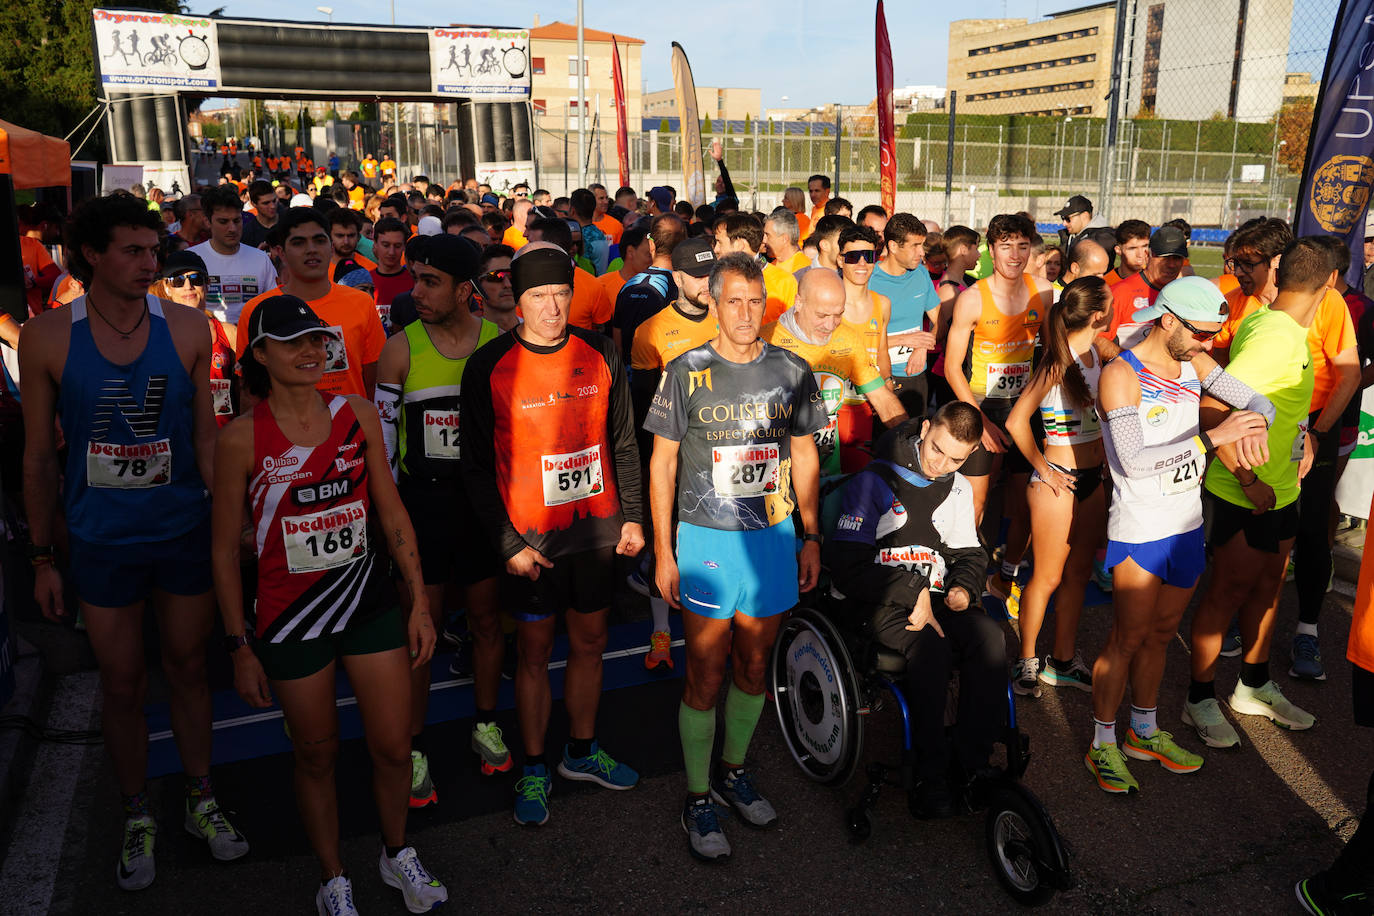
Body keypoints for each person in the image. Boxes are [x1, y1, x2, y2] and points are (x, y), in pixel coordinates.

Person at [21, 194, 247, 891]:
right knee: (121, 683)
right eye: (135, 251)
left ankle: (201, 798)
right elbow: (38, 459)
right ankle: (135, 810)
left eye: (156, 250)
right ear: (92, 253)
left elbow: (207, 440)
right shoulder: (48, 336)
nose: (153, 262)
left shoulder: (188, 329)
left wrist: (230, 530)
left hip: (181, 530)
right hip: (100, 539)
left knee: (186, 668)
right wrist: (41, 558)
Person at [211, 296, 446, 916]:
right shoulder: (240, 439)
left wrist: (418, 601)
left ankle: (397, 854)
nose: (312, 351)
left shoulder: (358, 414)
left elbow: (392, 513)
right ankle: (332, 876)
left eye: (317, 339)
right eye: (293, 343)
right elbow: (221, 553)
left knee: (395, 746)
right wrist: (239, 646)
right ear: (259, 354)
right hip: (291, 621)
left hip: (368, 607)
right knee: (316, 753)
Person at [645, 251, 827, 860]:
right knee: (705, 672)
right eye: (734, 302)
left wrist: (811, 534)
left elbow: (804, 455)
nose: (746, 314)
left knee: (754, 666)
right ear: (715, 305)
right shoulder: (684, 369)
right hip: (705, 539)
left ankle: (733, 769)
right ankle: (697, 798)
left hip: (773, 539)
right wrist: (666, 551)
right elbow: (662, 462)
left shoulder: (792, 370)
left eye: (756, 302)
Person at [460, 243, 645, 826]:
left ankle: (582, 752)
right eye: (538, 297)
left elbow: (622, 442)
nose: (551, 308)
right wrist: (507, 543)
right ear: (517, 300)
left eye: (560, 295)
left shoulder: (601, 353)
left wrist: (634, 515)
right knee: (535, 653)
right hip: (531, 539)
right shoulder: (488, 365)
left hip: (595, 530)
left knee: (591, 644)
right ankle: (535, 766)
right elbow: (474, 468)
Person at [1088, 276, 1274, 794]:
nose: (1210, 344)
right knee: (1126, 639)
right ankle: (1102, 742)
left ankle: (1142, 731)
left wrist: (1263, 427)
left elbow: (1259, 403)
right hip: (1141, 527)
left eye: (1215, 334)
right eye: (1202, 333)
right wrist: (1217, 436)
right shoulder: (1121, 375)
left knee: (1162, 635)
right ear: (1168, 320)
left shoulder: (1194, 360)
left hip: (1186, 525)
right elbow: (1134, 462)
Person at [374, 235, 511, 804]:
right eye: (415, 280)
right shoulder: (399, 349)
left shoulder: (496, 341)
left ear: (464, 290)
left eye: (431, 282)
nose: (418, 292)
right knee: (420, 631)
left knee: (485, 620)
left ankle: (484, 721)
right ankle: (412, 747)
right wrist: (387, 517)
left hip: (479, 503)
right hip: (423, 505)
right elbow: (383, 449)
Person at [1184, 239, 1330, 750]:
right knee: (1225, 595)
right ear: (1329, 284)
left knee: (1268, 592)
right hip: (1246, 493)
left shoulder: (1277, 325)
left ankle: (1253, 686)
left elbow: (1277, 403)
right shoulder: (1275, 335)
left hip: (1283, 490)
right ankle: (1199, 697)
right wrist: (1248, 480)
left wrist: (1305, 434)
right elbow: (1210, 405)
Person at [829, 403, 1004, 817]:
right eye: (936, 449)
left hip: (937, 596)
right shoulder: (875, 480)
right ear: (925, 428)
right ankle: (930, 772)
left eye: (956, 458)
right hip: (876, 601)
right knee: (931, 649)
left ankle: (972, 760)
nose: (941, 464)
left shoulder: (958, 487)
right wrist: (913, 590)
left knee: (990, 638)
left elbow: (970, 554)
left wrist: (963, 587)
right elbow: (847, 568)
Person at [1006, 277, 1115, 696]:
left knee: (1079, 575)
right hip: (1059, 482)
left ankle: (1065, 660)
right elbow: (1016, 422)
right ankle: (1027, 660)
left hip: (1092, 481)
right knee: (1047, 577)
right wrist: (1044, 468)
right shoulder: (1057, 362)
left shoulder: (1093, 354)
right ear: (1098, 314)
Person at [943, 213, 1053, 614]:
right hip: (980, 404)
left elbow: (1052, 352)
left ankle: (1004, 577)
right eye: (1006, 246)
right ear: (991, 250)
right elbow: (953, 367)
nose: (1015, 254)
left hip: (1024, 406)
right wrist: (982, 422)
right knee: (974, 504)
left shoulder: (1044, 292)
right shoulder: (972, 297)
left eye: (1023, 246)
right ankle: (959, 580)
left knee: (1026, 502)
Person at [627, 237, 722, 670]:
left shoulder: (728, 317)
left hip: (722, 452)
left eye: (711, 273)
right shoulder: (651, 331)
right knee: (663, 544)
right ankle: (661, 632)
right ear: (677, 277)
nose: (707, 283)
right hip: (676, 454)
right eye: (699, 276)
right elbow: (645, 406)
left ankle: (717, 626)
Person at [765, 270, 908, 478]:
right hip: (780, 469)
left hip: (828, 468)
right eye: (822, 315)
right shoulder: (768, 339)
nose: (830, 325)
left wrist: (912, 442)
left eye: (838, 314)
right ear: (799, 302)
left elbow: (882, 399)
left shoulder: (847, 339)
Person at [236, 208, 386, 400]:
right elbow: (250, 389)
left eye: (319, 240)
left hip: (350, 424)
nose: (311, 249)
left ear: (331, 247)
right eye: (298, 243)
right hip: (282, 427)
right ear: (281, 252)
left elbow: (374, 383)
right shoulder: (257, 310)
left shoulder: (362, 303)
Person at [150, 250, 238, 426]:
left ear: (207, 284)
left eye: (196, 279)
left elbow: (245, 391)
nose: (188, 286)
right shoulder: (154, 335)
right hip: (177, 436)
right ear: (167, 287)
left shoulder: (229, 333)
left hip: (222, 436)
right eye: (178, 281)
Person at [868, 214, 940, 417]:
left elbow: (939, 320)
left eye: (922, 245)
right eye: (915, 245)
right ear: (892, 246)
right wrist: (905, 340)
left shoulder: (921, 274)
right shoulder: (869, 278)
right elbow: (856, 339)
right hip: (877, 378)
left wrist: (923, 345)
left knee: (913, 440)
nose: (921, 252)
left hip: (915, 376)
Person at [188, 185, 278, 325]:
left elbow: (274, 305)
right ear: (207, 221)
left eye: (237, 221)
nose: (232, 228)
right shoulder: (191, 259)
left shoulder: (261, 259)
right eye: (223, 222)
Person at [614, 213, 684, 359]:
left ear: (651, 244)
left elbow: (617, 342)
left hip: (631, 373)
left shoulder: (628, 286)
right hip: (668, 374)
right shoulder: (683, 287)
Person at [1106, 226, 1189, 344]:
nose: (1171, 265)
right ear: (1147, 255)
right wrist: (1132, 362)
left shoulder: (1187, 296)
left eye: (1177, 258)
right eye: (1164, 257)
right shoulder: (1120, 292)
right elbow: (1099, 340)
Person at [712, 213, 796, 323]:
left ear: (739, 244)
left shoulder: (784, 282)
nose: (716, 249)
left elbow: (794, 329)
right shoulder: (717, 279)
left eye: (719, 242)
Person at [368, 217, 413, 334]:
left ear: (404, 247)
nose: (391, 252)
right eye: (386, 245)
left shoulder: (415, 281)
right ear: (375, 244)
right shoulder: (365, 281)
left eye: (397, 246)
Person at [474, 244, 518, 331]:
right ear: (478, 286)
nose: (507, 284)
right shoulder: (467, 338)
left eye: (513, 276)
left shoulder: (539, 333)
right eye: (497, 277)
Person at [763, 209, 811, 276]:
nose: (764, 240)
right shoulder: (771, 266)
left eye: (767, 235)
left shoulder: (803, 271)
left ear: (784, 239)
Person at [1104, 219, 1151, 287]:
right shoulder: (1106, 285)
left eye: (1145, 246)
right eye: (1132, 248)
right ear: (1118, 250)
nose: (1140, 255)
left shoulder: (1156, 280)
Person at [241, 180, 281, 250]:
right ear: (253, 204)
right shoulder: (247, 232)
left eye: (274, 201)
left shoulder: (289, 223)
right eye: (266, 203)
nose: (273, 206)